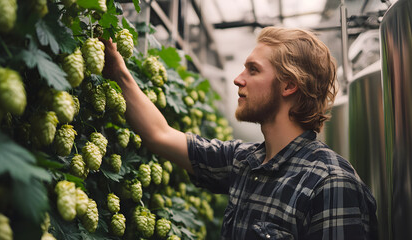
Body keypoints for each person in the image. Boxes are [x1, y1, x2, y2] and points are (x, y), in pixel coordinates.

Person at [101, 26, 378, 240]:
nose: (238, 78)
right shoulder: (244, 161)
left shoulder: (331, 184)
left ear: (288, 86)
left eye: (253, 70)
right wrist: (117, 70)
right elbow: (159, 134)